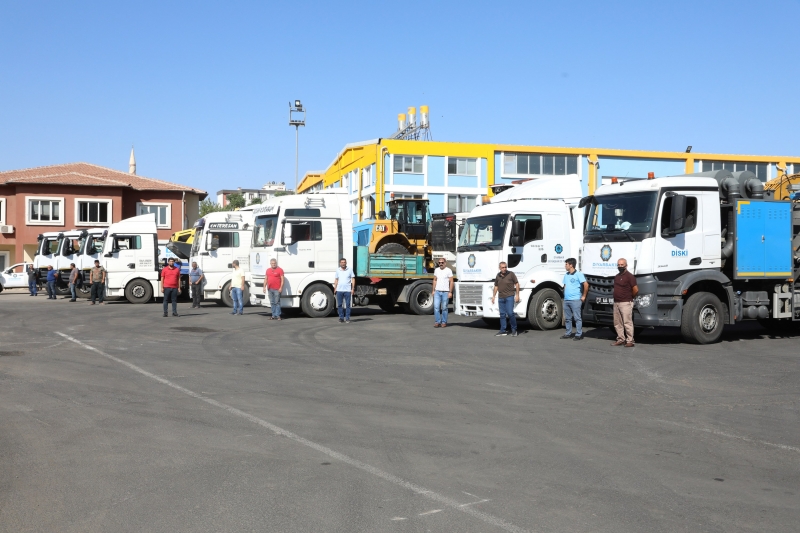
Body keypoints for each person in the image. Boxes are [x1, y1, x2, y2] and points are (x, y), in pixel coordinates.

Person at [612, 258, 638, 347]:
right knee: (617, 323)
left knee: (627, 322)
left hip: (626, 302)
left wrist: (630, 298)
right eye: (618, 265)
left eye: (622, 265)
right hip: (616, 303)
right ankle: (620, 339)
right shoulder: (617, 276)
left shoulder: (630, 276)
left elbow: (635, 290)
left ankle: (630, 341)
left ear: (626, 265)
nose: (620, 266)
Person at [490, 262, 520, 337]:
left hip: (509, 296)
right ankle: (503, 330)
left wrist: (517, 295)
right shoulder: (498, 276)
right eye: (503, 267)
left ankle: (514, 329)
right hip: (501, 297)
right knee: (502, 314)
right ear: (499, 268)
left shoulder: (511, 274)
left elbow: (516, 284)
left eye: (505, 267)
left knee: (510, 313)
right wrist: (493, 296)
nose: (504, 269)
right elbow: (496, 286)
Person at [561, 258, 588, 340]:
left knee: (577, 318)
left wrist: (583, 296)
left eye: (566, 264)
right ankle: (568, 333)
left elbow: (586, 285)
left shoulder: (579, 274)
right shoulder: (566, 275)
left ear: (571, 265)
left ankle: (578, 334)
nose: (565, 266)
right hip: (567, 300)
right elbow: (565, 285)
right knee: (568, 318)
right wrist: (564, 295)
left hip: (575, 299)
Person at [432, 258, 453, 328]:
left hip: (445, 292)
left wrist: (450, 292)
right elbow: (435, 280)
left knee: (444, 308)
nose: (441, 264)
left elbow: (451, 282)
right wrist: (433, 290)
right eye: (439, 262)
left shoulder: (448, 271)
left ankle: (444, 322)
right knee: (436, 307)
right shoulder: (436, 270)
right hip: (437, 292)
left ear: (445, 263)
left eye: (442, 262)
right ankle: (437, 321)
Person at [333, 257, 355, 323]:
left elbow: (353, 279)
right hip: (339, 290)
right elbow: (336, 279)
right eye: (342, 262)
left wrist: (353, 288)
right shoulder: (338, 270)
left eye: (344, 262)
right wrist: (335, 287)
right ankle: (341, 318)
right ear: (340, 263)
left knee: (347, 305)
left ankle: (347, 318)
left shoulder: (350, 270)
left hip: (347, 290)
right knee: (339, 305)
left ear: (346, 263)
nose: (343, 264)